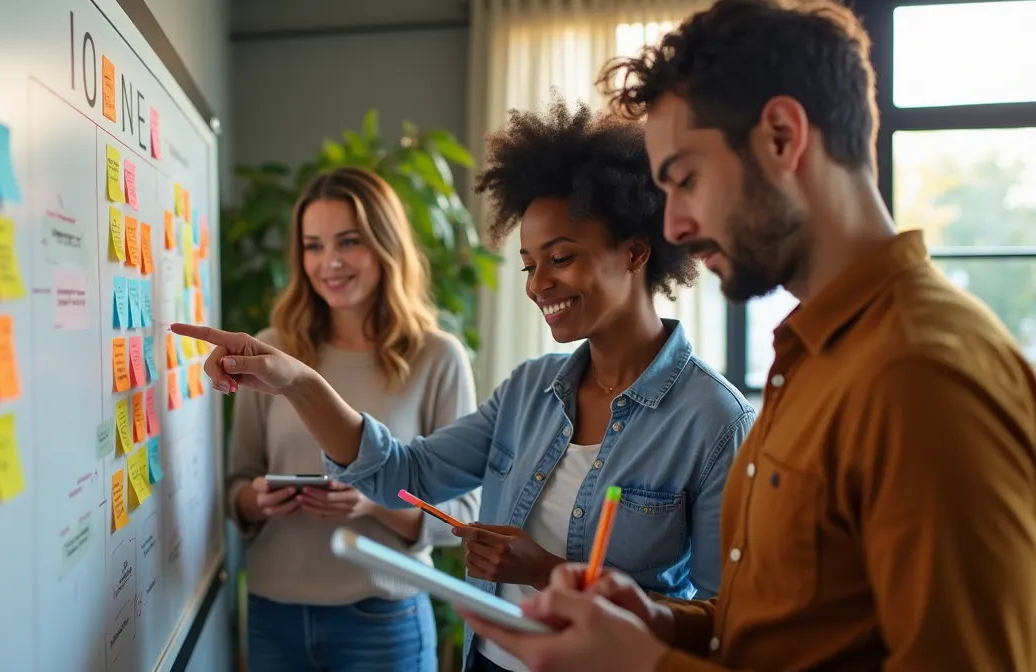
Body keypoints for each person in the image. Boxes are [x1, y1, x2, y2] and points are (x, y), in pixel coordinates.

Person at [461, 1, 1036, 670]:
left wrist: (645, 666)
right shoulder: (814, 356)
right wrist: (659, 624)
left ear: (783, 138)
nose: (672, 225)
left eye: (685, 180)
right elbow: (791, 634)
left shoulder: (922, 374)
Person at [176, 99, 755, 672]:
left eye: (560, 257)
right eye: (530, 264)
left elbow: (719, 621)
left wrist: (546, 570)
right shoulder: (530, 390)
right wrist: (296, 380)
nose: (538, 285)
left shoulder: (713, 422)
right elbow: (400, 472)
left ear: (634, 251)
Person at [227, 167, 481, 672]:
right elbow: (235, 483)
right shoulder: (271, 351)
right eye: (313, 246)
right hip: (273, 614)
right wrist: (257, 498)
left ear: (386, 245)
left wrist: (372, 501)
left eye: (349, 242)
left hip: (384, 619)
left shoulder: (437, 357)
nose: (331, 262)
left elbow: (463, 516)